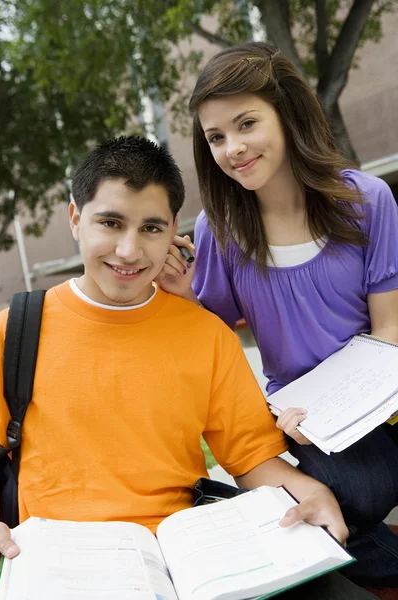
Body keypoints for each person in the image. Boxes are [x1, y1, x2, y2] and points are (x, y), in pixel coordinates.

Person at [0, 136, 376, 599]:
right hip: (62, 564)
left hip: (191, 557)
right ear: (76, 218)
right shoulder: (12, 331)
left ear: (175, 227)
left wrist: (308, 490)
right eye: (110, 223)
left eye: (151, 228)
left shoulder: (206, 334)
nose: (129, 251)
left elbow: (250, 455)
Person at [155, 42, 398, 586]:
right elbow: (213, 346)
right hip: (300, 420)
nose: (232, 148)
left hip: (381, 397)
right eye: (216, 137)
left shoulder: (367, 202)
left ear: (287, 114)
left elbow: (391, 330)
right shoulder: (222, 231)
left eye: (246, 124)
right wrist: (186, 295)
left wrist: (347, 407)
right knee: (357, 488)